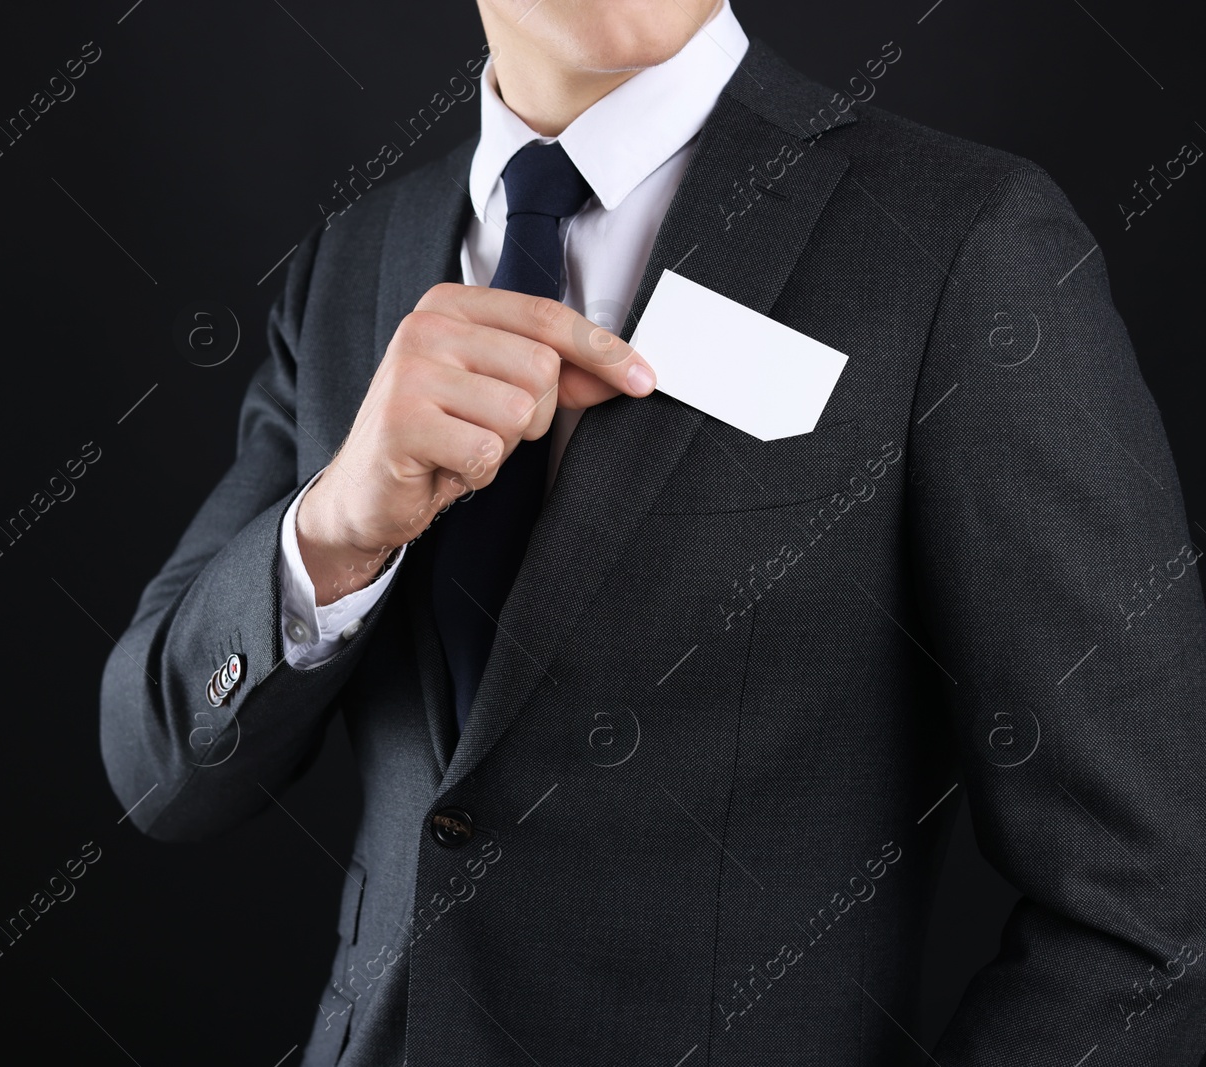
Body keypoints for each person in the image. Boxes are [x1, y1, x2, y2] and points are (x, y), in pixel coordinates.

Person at [100, 0, 1206, 1063]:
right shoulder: (353, 261)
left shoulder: (959, 235)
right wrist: (333, 530)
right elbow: (160, 772)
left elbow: (1150, 901)